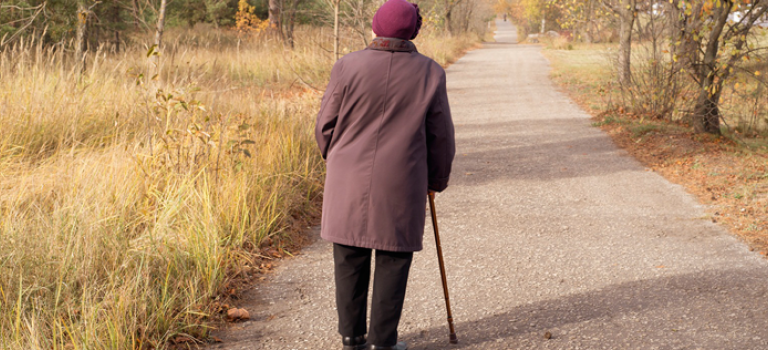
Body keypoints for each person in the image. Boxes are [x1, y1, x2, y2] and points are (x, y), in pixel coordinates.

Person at [314, 0, 455, 349]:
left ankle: (351, 338)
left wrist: (335, 157)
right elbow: (440, 135)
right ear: (413, 30)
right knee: (394, 258)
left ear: (376, 25)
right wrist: (436, 180)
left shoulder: (346, 65)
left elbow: (325, 125)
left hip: (347, 177)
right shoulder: (430, 72)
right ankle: (382, 343)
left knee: (349, 256)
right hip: (401, 181)